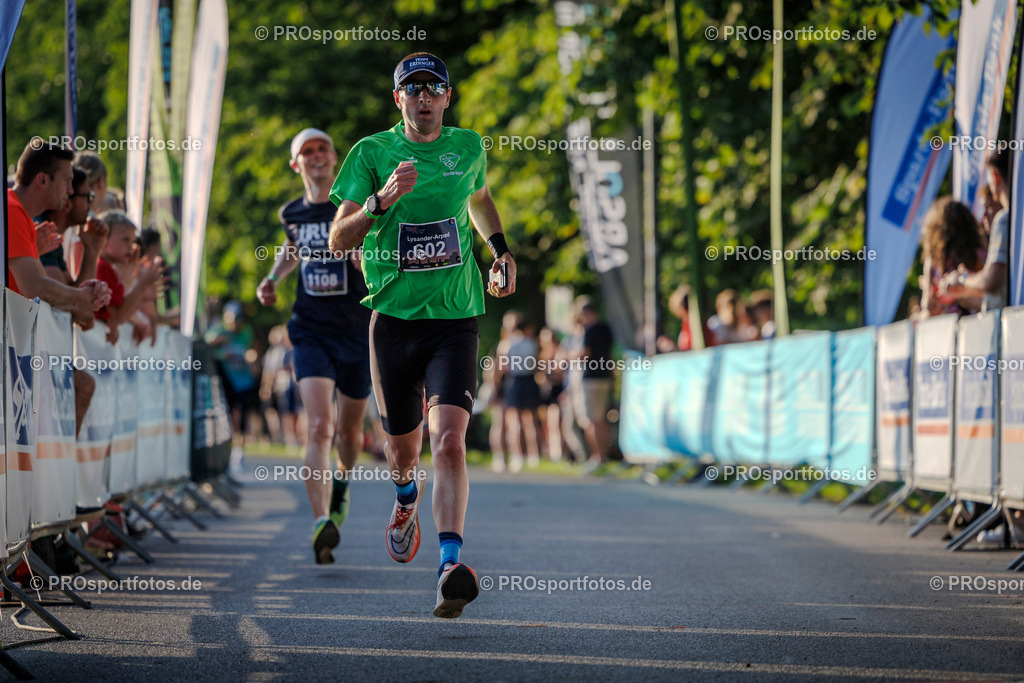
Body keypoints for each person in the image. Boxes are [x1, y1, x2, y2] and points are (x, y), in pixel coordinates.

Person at [327, 52, 515, 618]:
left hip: (456, 317)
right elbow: (338, 239)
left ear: (448, 98)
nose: (425, 98)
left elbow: (478, 198)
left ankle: (449, 566)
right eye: (414, 90)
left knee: (450, 441)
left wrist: (500, 251)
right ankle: (405, 497)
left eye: (435, 89)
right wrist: (382, 200)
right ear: (399, 100)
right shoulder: (371, 154)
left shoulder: (468, 147)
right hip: (393, 322)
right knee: (402, 452)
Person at [257, 127, 372, 564]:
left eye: (323, 148)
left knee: (348, 433)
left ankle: (342, 481)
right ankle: (321, 521)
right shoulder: (292, 212)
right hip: (309, 331)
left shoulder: (353, 204)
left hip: (357, 331)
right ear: (296, 164)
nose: (317, 155)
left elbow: (368, 247)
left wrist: (365, 260)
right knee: (320, 425)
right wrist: (272, 279)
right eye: (308, 151)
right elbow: (292, 248)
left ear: (335, 156)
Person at [7, 138, 110, 326]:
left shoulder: (24, 218)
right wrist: (81, 297)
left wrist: (82, 299)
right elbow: (34, 287)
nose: (70, 190)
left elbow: (45, 290)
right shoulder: (11, 210)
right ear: (43, 180)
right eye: (67, 181)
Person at [941, 152, 1009, 313]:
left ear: (995, 176)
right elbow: (995, 295)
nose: (982, 217)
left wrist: (961, 279)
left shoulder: (1004, 219)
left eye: (987, 208)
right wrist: (960, 290)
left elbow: (990, 282)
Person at [918, 197, 985, 317]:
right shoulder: (980, 253)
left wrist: (951, 292)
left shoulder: (934, 262)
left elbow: (927, 305)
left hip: (949, 326)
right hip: (978, 322)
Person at [572, 299, 615, 465]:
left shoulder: (589, 331)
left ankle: (597, 457)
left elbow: (585, 354)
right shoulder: (607, 329)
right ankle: (604, 456)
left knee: (591, 420)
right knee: (601, 419)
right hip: (605, 377)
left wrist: (571, 356)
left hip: (591, 378)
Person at [503, 319, 542, 471]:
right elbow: (536, 364)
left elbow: (505, 365)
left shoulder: (509, 343)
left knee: (515, 421)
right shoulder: (532, 343)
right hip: (529, 379)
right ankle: (534, 455)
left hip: (515, 380)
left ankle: (517, 455)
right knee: (531, 420)